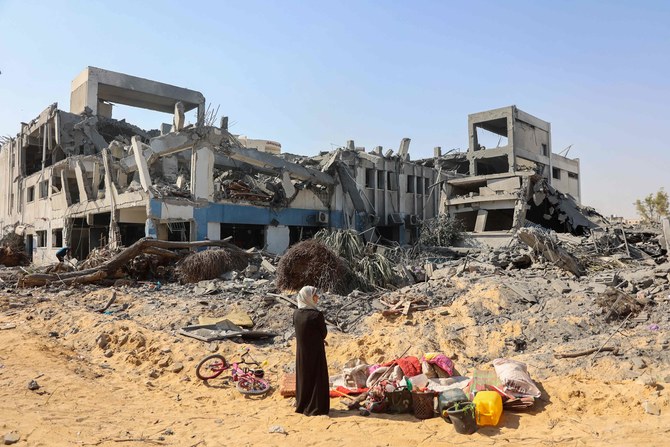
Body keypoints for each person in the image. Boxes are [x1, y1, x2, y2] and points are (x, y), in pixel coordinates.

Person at [293, 285, 330, 416]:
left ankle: (302, 404)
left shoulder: (296, 314)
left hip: (302, 353)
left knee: (304, 378)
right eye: (315, 295)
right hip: (315, 353)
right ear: (308, 297)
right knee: (316, 378)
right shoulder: (316, 315)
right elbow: (323, 333)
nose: (317, 297)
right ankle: (316, 407)